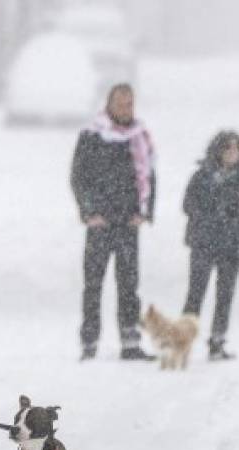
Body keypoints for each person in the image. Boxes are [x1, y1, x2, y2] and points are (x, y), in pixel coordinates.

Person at [70, 83, 157, 361]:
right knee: (93, 285)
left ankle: (130, 341)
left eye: (130, 103)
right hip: (101, 223)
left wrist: (145, 211)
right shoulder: (92, 136)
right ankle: (89, 342)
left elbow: (150, 175)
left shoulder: (139, 137)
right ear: (109, 104)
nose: (125, 109)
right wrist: (88, 212)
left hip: (128, 221)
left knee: (129, 284)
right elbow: (78, 177)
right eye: (120, 103)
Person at [181, 130, 239, 361]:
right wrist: (211, 217)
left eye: (237, 149)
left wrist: (231, 218)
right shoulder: (202, 177)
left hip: (232, 246)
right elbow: (189, 205)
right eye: (228, 148)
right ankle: (183, 340)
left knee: (225, 295)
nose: (233, 153)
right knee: (196, 293)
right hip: (204, 243)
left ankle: (217, 340)